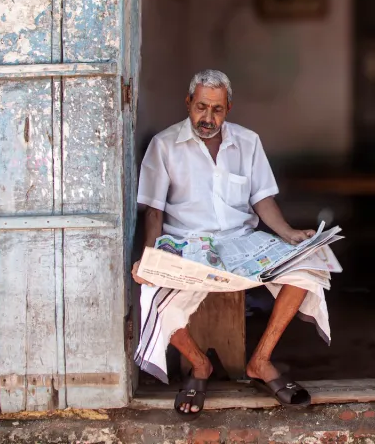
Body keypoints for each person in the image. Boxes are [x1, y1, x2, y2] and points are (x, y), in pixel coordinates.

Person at [131, 70, 332, 417]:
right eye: (201, 107)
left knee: (309, 266)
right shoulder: (164, 145)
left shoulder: (247, 141)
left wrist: (288, 234)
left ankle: (261, 360)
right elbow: (153, 211)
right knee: (153, 294)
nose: (208, 118)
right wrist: (150, 257)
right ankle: (199, 366)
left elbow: (262, 200)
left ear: (229, 108)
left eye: (218, 110)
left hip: (241, 241)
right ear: (188, 103)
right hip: (187, 242)